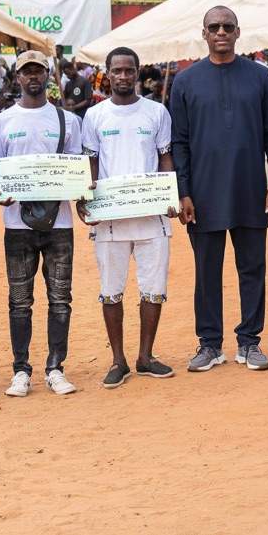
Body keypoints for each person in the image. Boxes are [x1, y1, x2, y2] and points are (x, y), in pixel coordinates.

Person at [170, 5, 268, 372]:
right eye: (214, 26)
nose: (221, 31)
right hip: (202, 193)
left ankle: (249, 343)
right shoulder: (186, 81)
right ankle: (210, 344)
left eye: (227, 26)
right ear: (203, 33)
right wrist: (183, 191)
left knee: (253, 268)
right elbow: (180, 142)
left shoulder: (261, 77)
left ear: (238, 32)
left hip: (251, 189)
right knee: (207, 272)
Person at [78, 46, 179, 387]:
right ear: (107, 73)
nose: (123, 76)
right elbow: (91, 162)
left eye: (129, 70)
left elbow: (165, 157)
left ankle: (145, 357)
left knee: (153, 289)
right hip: (110, 219)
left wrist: (170, 195)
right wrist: (87, 198)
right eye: (117, 70)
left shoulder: (156, 112)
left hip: (152, 218)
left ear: (138, 73)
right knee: (111, 290)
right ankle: (118, 360)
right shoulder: (94, 116)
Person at [0, 50, 83, 397]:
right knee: (19, 301)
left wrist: (79, 190)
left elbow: (76, 166)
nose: (33, 77)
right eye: (26, 71)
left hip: (59, 223)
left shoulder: (67, 120)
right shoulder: (1, 122)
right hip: (17, 225)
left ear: (48, 77)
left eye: (38, 71)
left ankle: (56, 368)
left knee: (60, 299)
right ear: (16, 77)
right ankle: (21, 371)